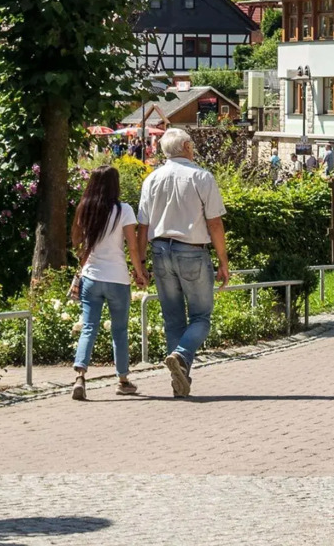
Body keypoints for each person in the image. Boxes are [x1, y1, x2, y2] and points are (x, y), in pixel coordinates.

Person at [137, 127, 231, 398]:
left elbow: (143, 226)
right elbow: (215, 223)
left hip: (159, 250)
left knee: (173, 319)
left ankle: (180, 378)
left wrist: (140, 263)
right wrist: (223, 261)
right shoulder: (202, 177)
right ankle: (180, 354)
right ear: (187, 147)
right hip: (192, 251)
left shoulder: (152, 179)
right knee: (201, 317)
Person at [67, 166, 147, 400]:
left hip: (91, 277)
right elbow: (132, 246)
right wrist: (139, 272)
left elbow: (79, 244)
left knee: (89, 327)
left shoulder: (85, 208)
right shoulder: (124, 210)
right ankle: (122, 380)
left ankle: (80, 377)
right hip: (117, 278)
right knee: (119, 330)